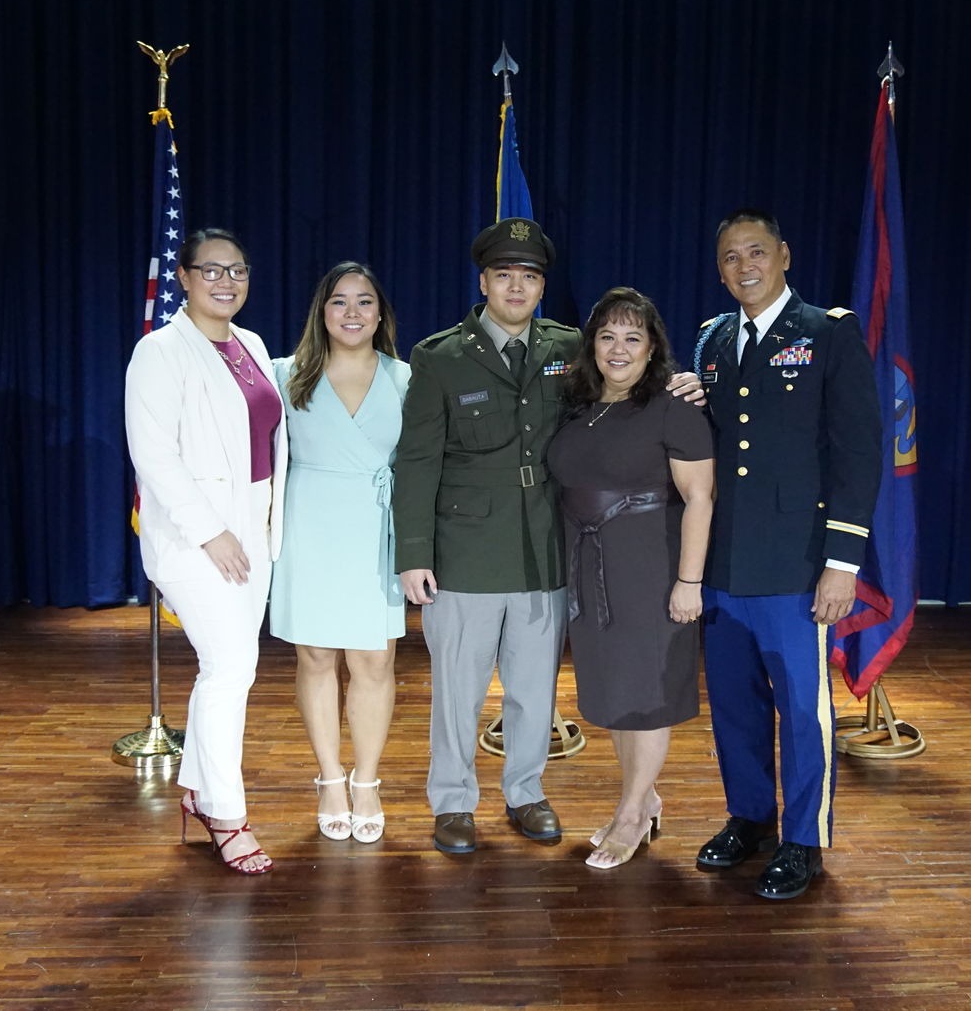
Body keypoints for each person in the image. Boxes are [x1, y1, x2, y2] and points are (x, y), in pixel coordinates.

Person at [394, 217, 705, 855]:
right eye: (504, 274)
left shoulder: (571, 349)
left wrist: (683, 381)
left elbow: (626, 397)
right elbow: (417, 462)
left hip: (546, 551)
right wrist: (414, 555)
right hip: (465, 554)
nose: (516, 286)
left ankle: (526, 792)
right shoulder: (439, 357)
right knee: (458, 688)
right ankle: (453, 801)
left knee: (536, 691)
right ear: (483, 281)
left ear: (542, 287)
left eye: (529, 277)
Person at [693, 208, 882, 899]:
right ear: (720, 270)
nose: (745, 266)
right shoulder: (712, 341)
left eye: (756, 252)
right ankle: (750, 815)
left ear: (783, 255)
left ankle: (804, 839)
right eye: (731, 258)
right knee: (736, 706)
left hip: (798, 564)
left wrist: (842, 563)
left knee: (804, 710)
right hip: (724, 563)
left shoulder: (828, 333)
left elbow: (860, 454)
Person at [125, 228, 288, 875]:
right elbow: (154, 454)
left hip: (256, 526)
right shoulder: (159, 352)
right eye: (211, 271)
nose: (226, 282)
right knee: (232, 666)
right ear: (185, 278)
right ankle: (227, 812)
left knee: (227, 669)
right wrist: (209, 531)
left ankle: (195, 787)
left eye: (238, 271)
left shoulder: (250, 343)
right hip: (197, 536)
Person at [547, 288, 714, 870]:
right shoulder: (579, 404)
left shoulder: (675, 405)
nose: (619, 349)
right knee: (616, 694)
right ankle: (644, 797)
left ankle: (632, 814)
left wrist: (688, 582)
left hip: (650, 565)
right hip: (589, 569)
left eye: (633, 338)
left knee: (648, 697)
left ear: (653, 349)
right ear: (591, 343)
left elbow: (699, 497)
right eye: (608, 336)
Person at [270, 262, 410, 844]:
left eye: (364, 302)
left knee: (375, 662)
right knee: (318, 659)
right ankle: (329, 778)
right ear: (321, 313)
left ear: (381, 314)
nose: (352, 313)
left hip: (378, 527)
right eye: (339, 302)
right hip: (310, 526)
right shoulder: (285, 373)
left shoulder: (409, 377)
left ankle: (366, 782)